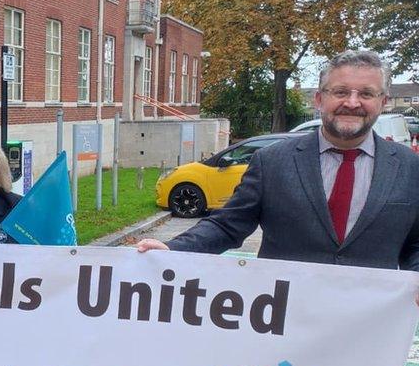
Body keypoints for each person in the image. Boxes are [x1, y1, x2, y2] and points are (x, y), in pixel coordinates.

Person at [136, 50, 419, 271]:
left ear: (383, 102)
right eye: (341, 91)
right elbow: (227, 225)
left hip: (370, 329)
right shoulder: (272, 161)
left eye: (367, 93)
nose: (353, 102)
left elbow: (416, 244)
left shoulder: (410, 168)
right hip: (282, 323)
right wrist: (172, 251)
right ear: (319, 99)